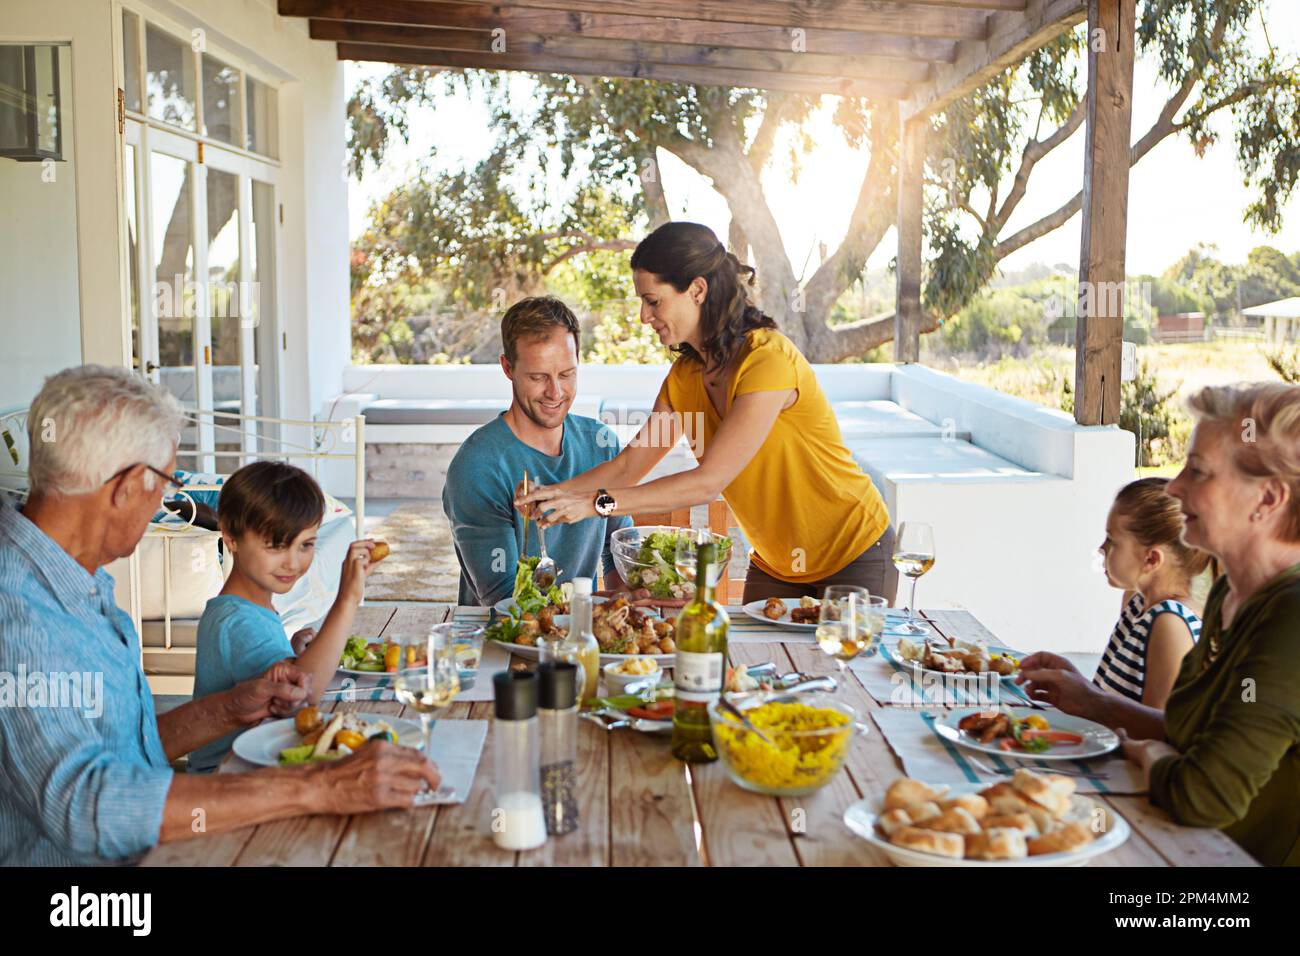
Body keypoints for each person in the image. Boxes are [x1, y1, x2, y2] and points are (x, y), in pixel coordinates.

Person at [0, 366, 439, 865]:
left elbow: (124, 751)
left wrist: (230, 708)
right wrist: (317, 786)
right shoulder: (18, 612)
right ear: (125, 488)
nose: (165, 501)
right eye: (164, 482)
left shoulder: (78, 578)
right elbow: (86, 804)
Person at [515, 221, 898, 604]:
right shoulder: (685, 378)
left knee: (844, 664)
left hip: (855, 553)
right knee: (753, 664)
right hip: (778, 567)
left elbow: (709, 481)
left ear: (697, 290)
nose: (644, 317)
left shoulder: (767, 360)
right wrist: (554, 494)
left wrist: (595, 504)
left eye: (653, 301)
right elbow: (630, 466)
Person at [1021, 383, 1300, 867]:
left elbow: (1202, 795)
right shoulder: (1229, 594)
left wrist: (1147, 755)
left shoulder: (1290, 617)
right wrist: (1096, 703)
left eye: (1198, 471)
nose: (1174, 487)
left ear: (1268, 498)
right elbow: (1189, 734)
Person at [188, 460, 379, 772]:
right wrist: (347, 599)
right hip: (228, 777)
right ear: (231, 537)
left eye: (305, 545)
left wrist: (291, 654)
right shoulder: (237, 620)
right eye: (276, 545)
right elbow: (307, 692)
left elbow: (273, 674)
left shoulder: (247, 607)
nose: (293, 562)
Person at [443, 296, 630, 606]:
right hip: (500, 643)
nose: (555, 393)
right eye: (538, 377)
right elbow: (503, 599)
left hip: (583, 635)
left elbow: (617, 544)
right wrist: (594, 604)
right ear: (508, 367)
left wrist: (625, 601)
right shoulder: (477, 467)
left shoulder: (601, 443)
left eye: (567, 374)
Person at [1019, 478, 1207, 713]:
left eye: (1112, 540)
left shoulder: (1171, 624)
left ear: (1151, 559)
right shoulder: (1137, 603)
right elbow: (1118, 703)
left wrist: (1087, 696)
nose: (1101, 548)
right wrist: (1077, 683)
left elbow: (1159, 730)